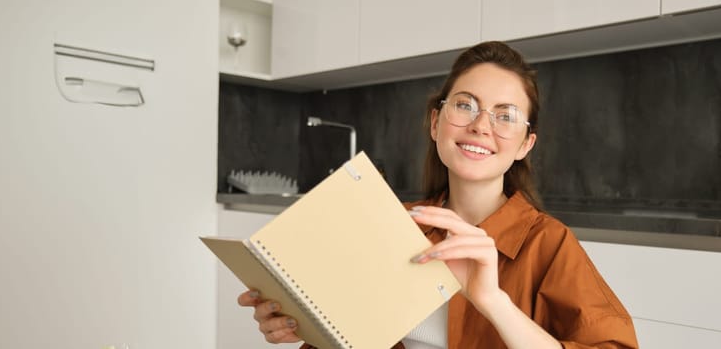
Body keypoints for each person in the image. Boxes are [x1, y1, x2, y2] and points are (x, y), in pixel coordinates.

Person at [238, 41, 639, 349]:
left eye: (505, 115)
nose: (482, 125)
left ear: (524, 145)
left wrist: (492, 300)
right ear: (436, 123)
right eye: (466, 105)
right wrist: (301, 325)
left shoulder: (548, 244)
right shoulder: (392, 223)